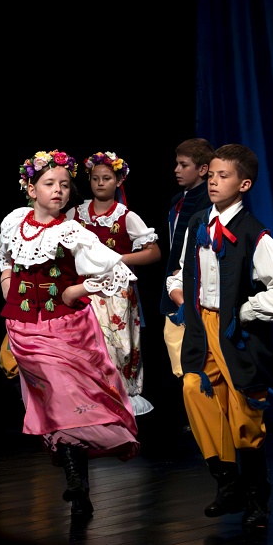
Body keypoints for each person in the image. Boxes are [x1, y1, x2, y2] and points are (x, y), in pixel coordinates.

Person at [165, 143, 273, 529]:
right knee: (195, 390)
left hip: (236, 334)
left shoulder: (252, 232)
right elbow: (182, 271)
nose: (213, 182)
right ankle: (228, 483)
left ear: (244, 184)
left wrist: (247, 310)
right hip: (201, 327)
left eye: (222, 176)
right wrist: (183, 296)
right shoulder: (197, 223)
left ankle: (258, 497)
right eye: (210, 175)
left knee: (244, 414)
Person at [0, 150, 139, 518]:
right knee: (53, 401)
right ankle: (75, 478)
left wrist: (75, 291)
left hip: (64, 327)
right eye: (49, 183)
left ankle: (77, 482)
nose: (58, 190)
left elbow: (115, 270)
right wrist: (7, 284)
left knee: (65, 397)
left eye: (63, 184)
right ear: (31, 188)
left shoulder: (72, 231)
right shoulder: (14, 222)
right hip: (24, 327)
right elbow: (6, 258)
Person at [68, 150, 160, 416]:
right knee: (87, 344)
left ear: (118, 181)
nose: (100, 183)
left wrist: (118, 259)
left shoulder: (125, 216)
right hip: (84, 289)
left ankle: (120, 395)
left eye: (106, 178)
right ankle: (90, 396)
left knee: (119, 345)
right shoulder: (76, 213)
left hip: (116, 292)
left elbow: (153, 252)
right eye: (95, 178)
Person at [161, 139, 214, 379]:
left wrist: (185, 271)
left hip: (195, 281)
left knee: (197, 356)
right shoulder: (178, 200)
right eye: (177, 164)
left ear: (202, 169)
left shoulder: (208, 201)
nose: (176, 170)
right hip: (175, 279)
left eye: (183, 165)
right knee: (176, 349)